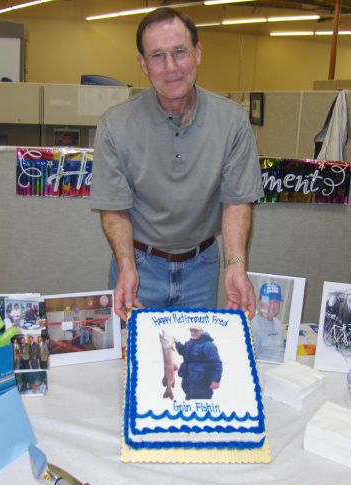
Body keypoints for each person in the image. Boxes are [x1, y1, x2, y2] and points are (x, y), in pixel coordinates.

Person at [90, 7, 263, 321]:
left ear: (197, 53)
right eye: (157, 55)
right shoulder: (115, 125)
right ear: (143, 64)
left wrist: (236, 264)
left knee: (196, 364)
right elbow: (114, 208)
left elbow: (236, 203)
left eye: (179, 52)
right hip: (138, 269)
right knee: (133, 362)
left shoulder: (232, 122)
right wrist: (126, 264)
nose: (170, 67)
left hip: (202, 268)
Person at [175, 326, 222, 400]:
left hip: (202, 385)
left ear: (202, 332)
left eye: (196, 331)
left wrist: (216, 380)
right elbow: (184, 352)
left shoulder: (209, 346)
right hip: (188, 384)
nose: (193, 333)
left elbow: (216, 363)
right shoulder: (190, 343)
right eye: (192, 331)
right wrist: (177, 343)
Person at [251, 283, 285, 363]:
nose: (272, 306)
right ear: (260, 302)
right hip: (266, 369)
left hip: (283, 366)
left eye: (276, 302)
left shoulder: (278, 323)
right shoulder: (253, 325)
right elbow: (250, 359)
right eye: (269, 301)